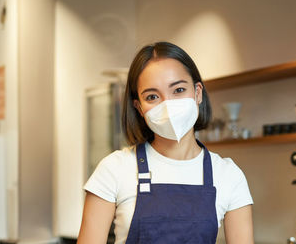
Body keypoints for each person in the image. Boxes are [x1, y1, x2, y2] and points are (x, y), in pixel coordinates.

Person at [78, 42, 254, 243]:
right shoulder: (114, 169)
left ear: (197, 93)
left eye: (178, 90)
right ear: (139, 107)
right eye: (152, 96)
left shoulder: (229, 175)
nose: (168, 105)